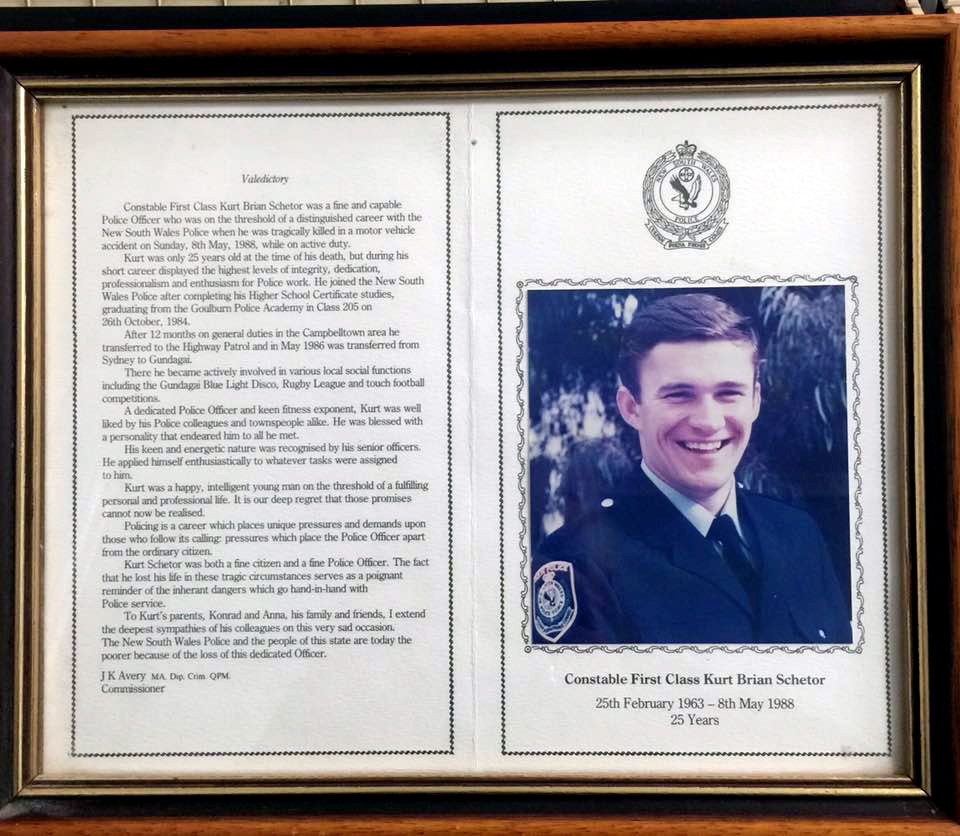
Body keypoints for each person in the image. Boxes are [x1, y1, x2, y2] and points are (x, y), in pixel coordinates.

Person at [533, 293, 851, 645]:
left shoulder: (798, 534)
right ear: (631, 407)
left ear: (755, 400)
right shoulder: (582, 563)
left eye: (729, 393)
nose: (708, 421)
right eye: (679, 395)